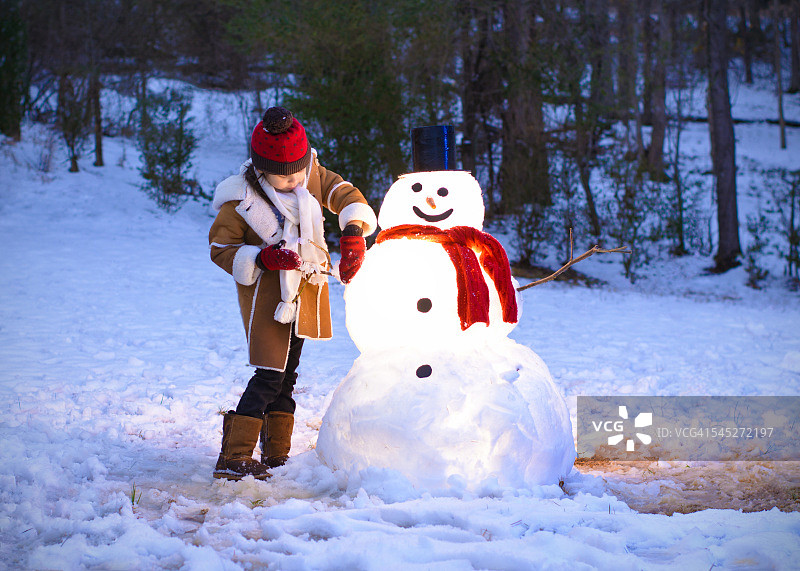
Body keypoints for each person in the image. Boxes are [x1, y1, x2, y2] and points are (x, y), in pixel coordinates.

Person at [208, 106, 377, 480]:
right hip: (267, 301)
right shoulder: (241, 201)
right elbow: (220, 248)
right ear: (261, 170)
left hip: (305, 295)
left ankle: (276, 453)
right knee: (269, 375)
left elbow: (345, 194)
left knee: (288, 375)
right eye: (283, 178)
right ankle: (234, 456)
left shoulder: (310, 175)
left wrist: (352, 232)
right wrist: (263, 257)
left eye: (299, 172)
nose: (295, 181)